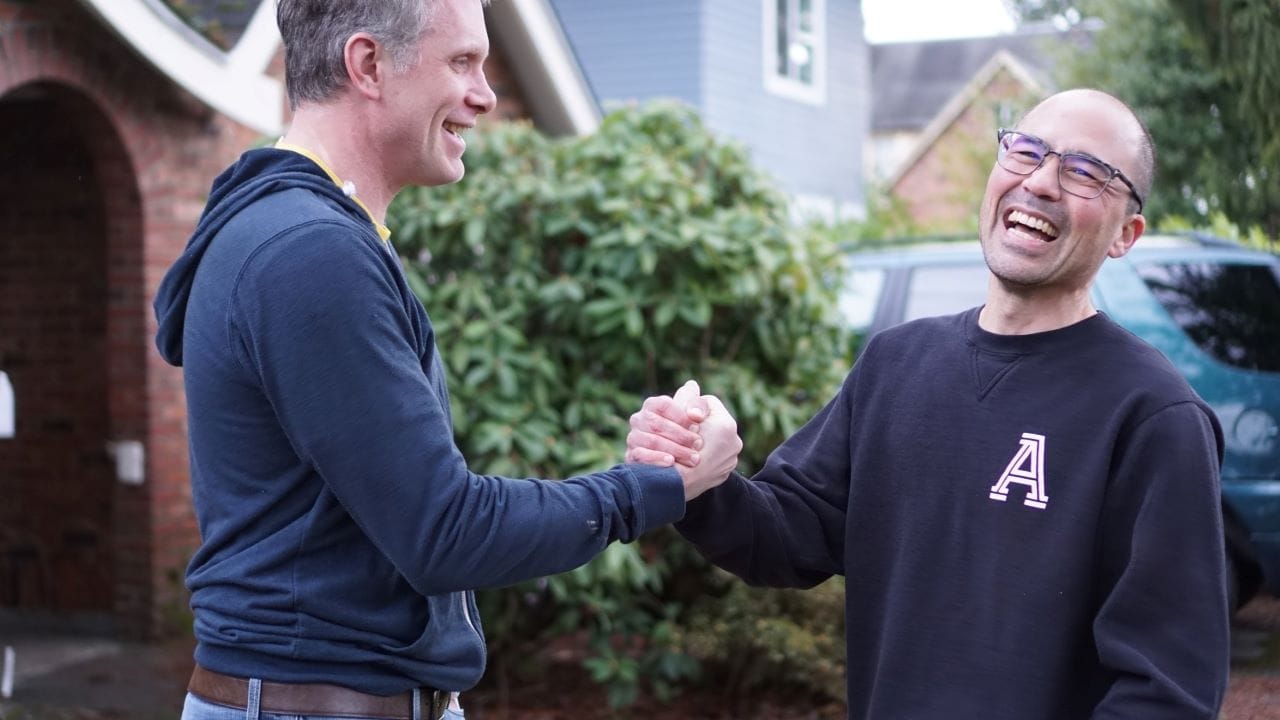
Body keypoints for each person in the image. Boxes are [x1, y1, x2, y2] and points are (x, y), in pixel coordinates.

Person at [151, 1, 740, 719]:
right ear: (368, 65)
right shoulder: (310, 252)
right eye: (462, 61)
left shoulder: (306, 233)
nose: (486, 95)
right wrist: (655, 488)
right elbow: (445, 533)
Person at [628, 88, 1229, 719]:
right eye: (1026, 150)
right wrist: (697, 476)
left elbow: (1168, 691)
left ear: (1125, 235)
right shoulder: (896, 364)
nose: (1042, 182)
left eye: (1086, 172)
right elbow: (784, 534)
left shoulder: (1154, 416)